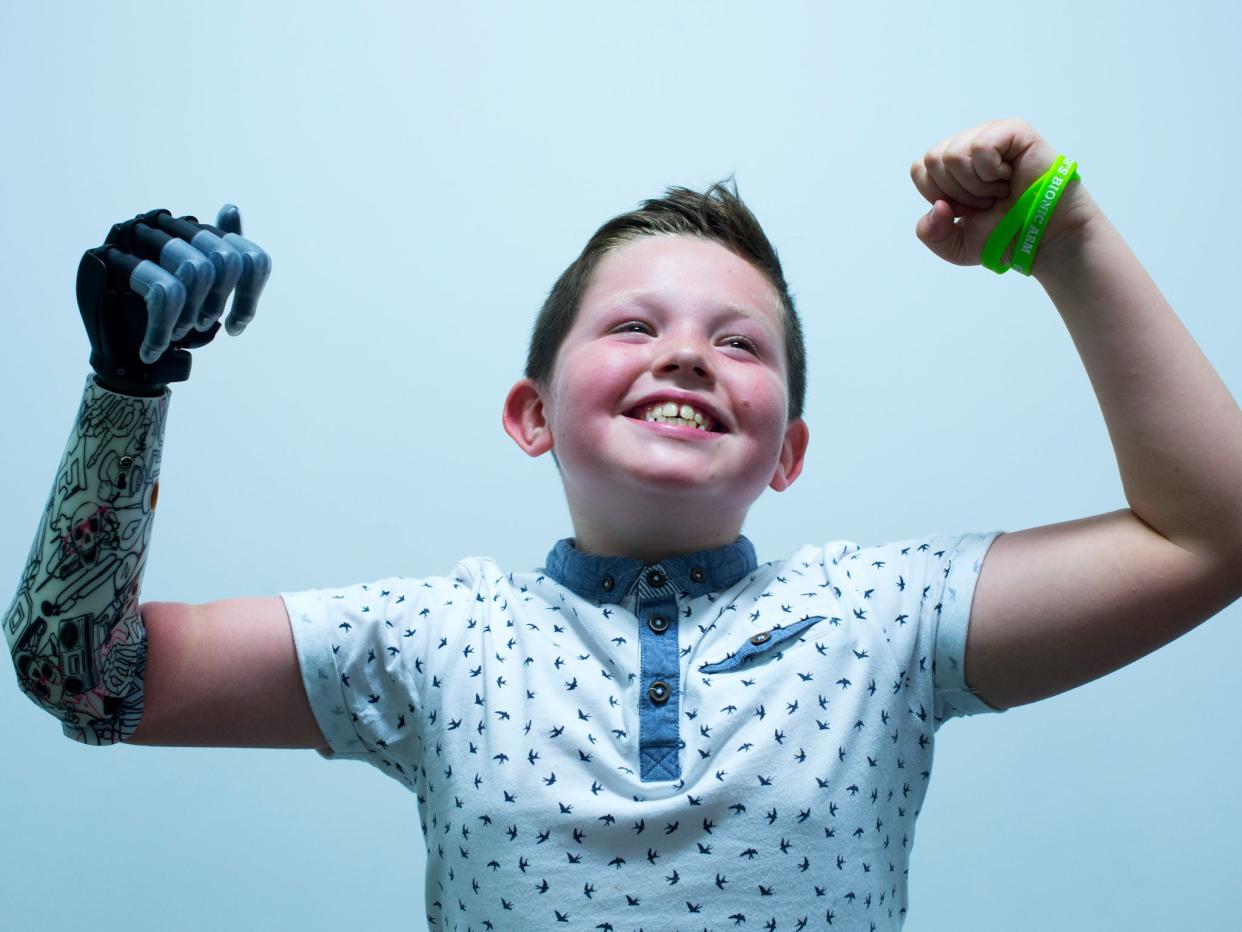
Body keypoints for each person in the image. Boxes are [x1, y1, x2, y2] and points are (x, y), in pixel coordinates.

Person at [7, 118, 1242, 931]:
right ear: (530, 413)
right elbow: (84, 677)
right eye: (637, 327)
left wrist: (1063, 233)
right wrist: (126, 392)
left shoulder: (886, 619)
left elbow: (1211, 536)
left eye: (740, 341)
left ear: (789, 449)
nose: (691, 354)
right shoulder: (429, 637)